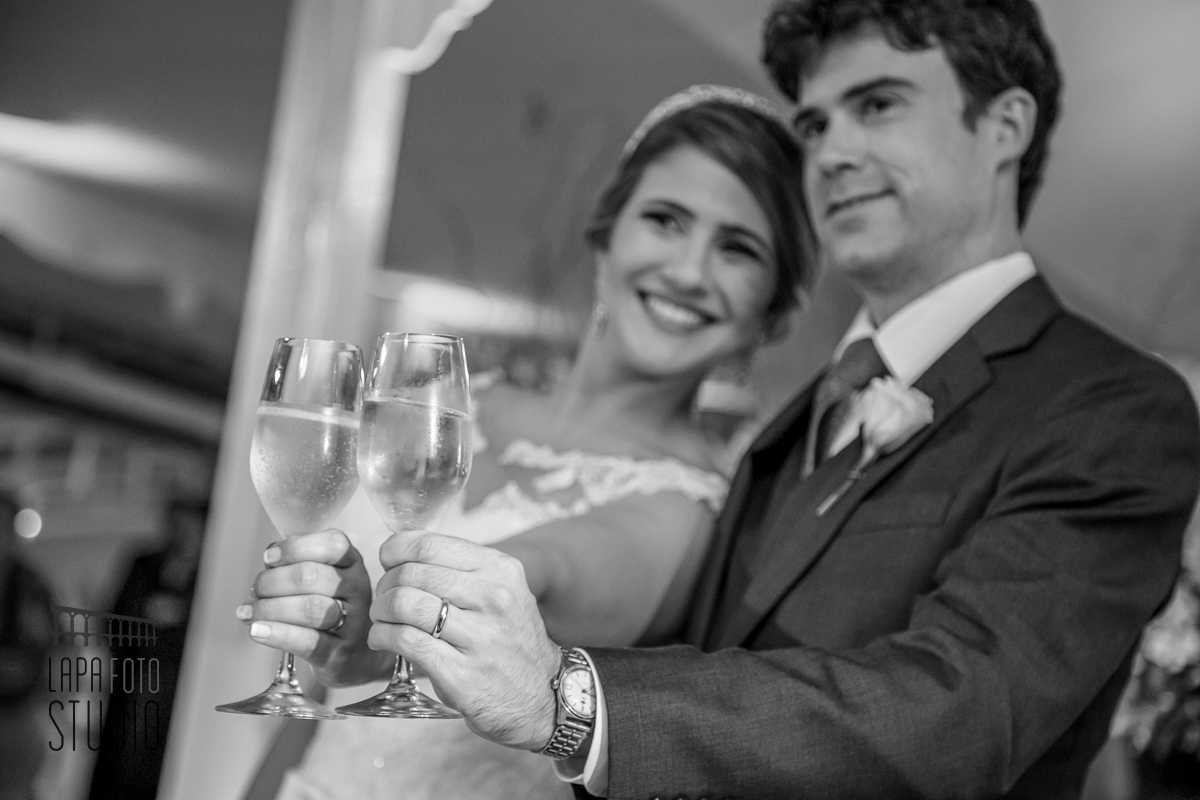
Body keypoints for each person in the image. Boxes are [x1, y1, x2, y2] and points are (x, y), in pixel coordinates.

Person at [298, 1, 1200, 798]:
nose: (834, 151)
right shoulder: (794, 422)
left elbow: (959, 717)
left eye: (878, 104)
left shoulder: (1111, 406)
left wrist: (569, 704)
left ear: (1005, 124)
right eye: (815, 123)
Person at [239, 85, 814, 800]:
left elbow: (535, 572)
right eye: (666, 221)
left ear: (773, 313)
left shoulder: (685, 510)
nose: (689, 271)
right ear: (606, 237)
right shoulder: (455, 406)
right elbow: (317, 710)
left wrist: (374, 630)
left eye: (739, 249)